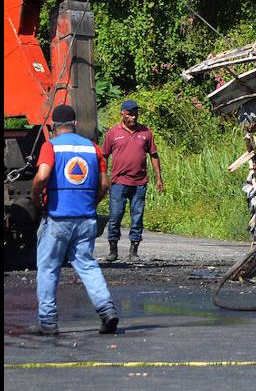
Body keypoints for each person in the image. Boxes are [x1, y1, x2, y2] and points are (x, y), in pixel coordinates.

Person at [29, 104, 120, 335]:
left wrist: (35, 197)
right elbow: (104, 184)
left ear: (52, 125)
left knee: (48, 268)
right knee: (87, 264)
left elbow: (42, 175)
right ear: (75, 124)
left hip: (57, 218)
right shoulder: (92, 148)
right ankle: (107, 310)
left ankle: (48, 322)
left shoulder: (50, 146)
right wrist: (92, 204)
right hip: (85, 218)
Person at [102, 98, 164, 261]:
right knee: (115, 216)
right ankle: (113, 249)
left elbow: (154, 155)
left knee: (137, 217)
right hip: (119, 182)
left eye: (135, 114)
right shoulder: (113, 133)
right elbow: (104, 156)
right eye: (129, 114)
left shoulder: (146, 132)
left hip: (139, 183)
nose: (133, 117)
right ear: (122, 114)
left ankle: (134, 250)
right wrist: (104, 178)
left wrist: (159, 178)